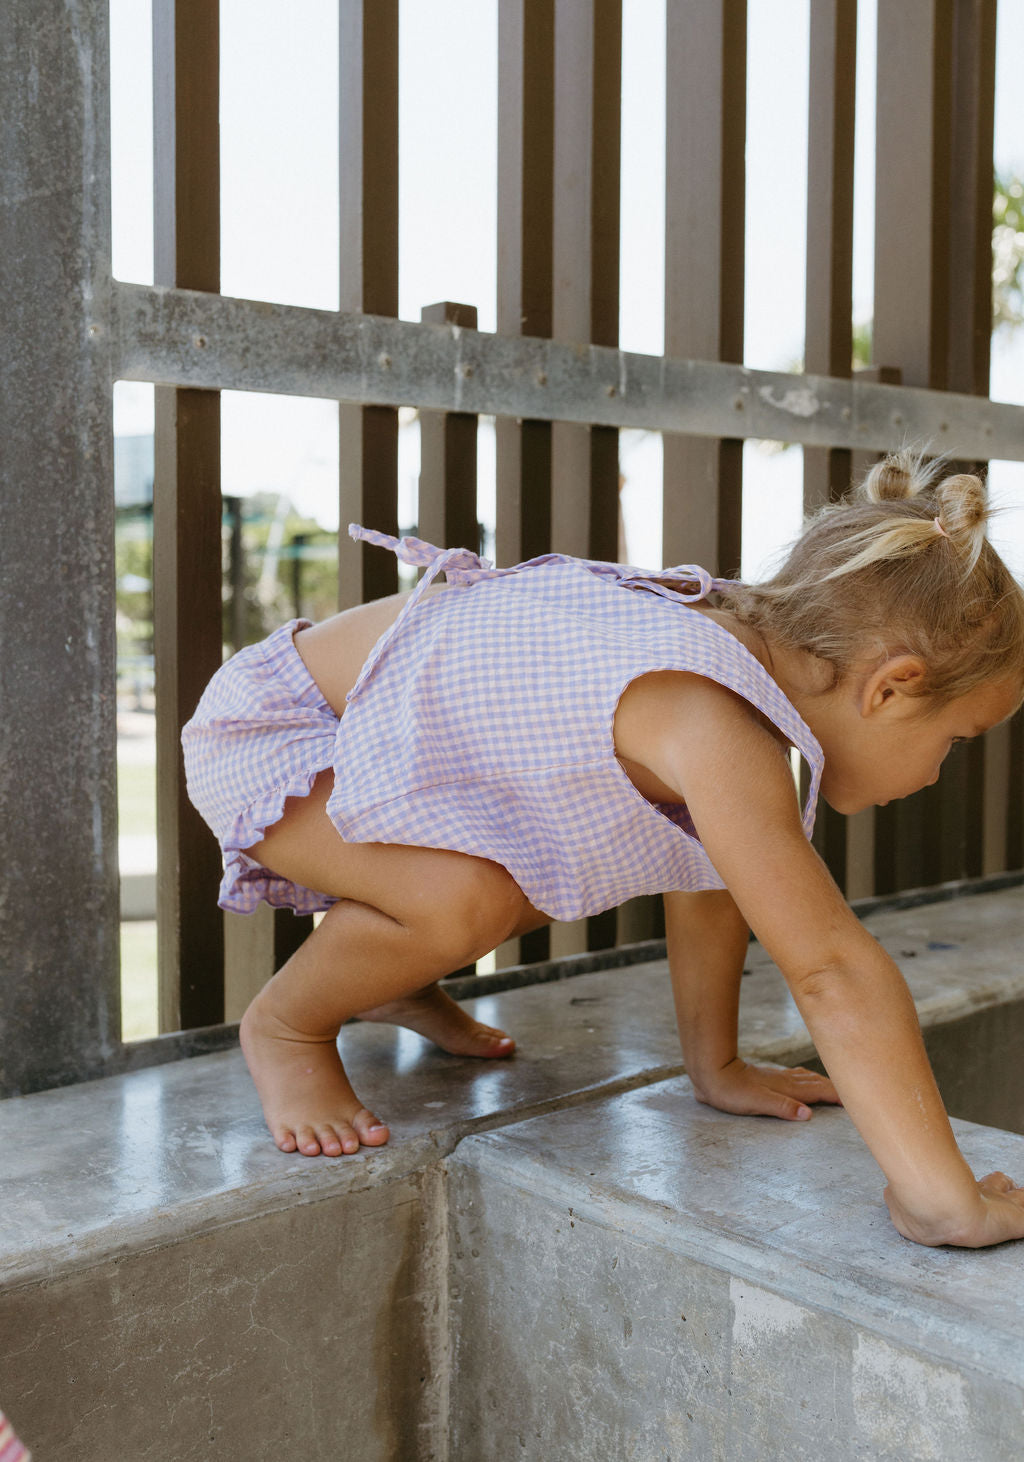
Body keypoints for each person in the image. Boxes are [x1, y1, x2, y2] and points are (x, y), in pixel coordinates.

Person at [183, 451, 1024, 1248]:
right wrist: (941, 1199)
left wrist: (717, 1065)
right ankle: (290, 1027)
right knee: (466, 901)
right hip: (285, 730)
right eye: (956, 739)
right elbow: (831, 971)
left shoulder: (735, 669)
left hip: (373, 740)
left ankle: (389, 979)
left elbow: (713, 875)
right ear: (892, 685)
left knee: (484, 887)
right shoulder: (709, 715)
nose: (941, 769)